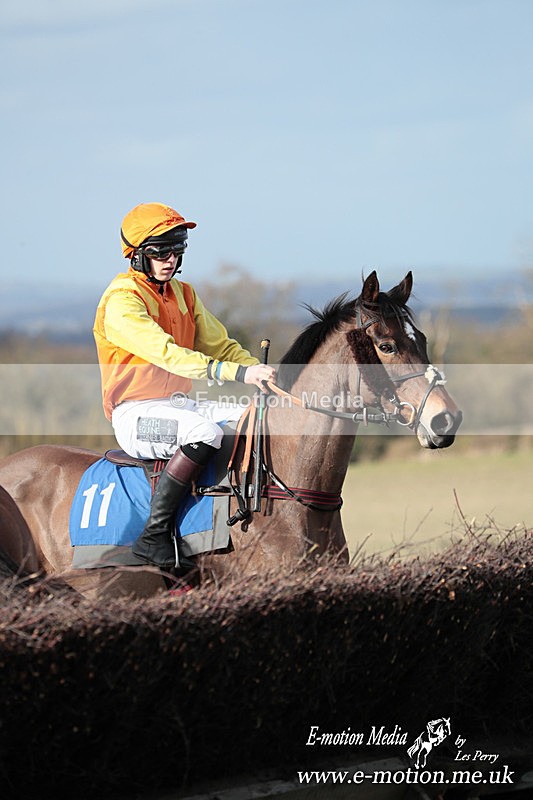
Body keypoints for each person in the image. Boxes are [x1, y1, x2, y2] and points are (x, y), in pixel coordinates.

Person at [93, 202, 276, 570]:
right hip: (135, 414)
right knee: (205, 431)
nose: (170, 259)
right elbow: (168, 354)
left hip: (177, 404)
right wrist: (237, 375)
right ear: (136, 254)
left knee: (255, 417)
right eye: (159, 251)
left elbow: (220, 346)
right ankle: (154, 535)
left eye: (177, 249)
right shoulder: (122, 301)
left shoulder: (184, 293)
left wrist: (258, 370)